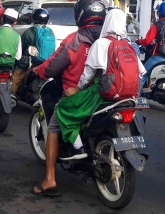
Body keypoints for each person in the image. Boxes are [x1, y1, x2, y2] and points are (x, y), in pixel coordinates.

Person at [30, 0, 106, 197]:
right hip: (105, 95)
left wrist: (37, 71)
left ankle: (50, 179)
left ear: (80, 15)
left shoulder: (75, 40)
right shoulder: (111, 38)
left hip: (77, 96)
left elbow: (52, 65)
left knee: (54, 127)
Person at [58, 9, 146, 159]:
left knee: (64, 109)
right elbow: (142, 72)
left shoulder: (101, 43)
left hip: (102, 94)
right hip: (128, 97)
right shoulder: (128, 45)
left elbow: (87, 75)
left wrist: (77, 89)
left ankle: (78, 148)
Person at [136, 1, 165, 90]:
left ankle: (137, 98)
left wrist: (138, 41)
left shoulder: (156, 25)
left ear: (159, 12)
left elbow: (147, 41)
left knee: (142, 74)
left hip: (159, 57)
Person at [13, 8, 54, 94]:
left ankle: (9, 100)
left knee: (15, 80)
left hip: (27, 63)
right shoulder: (50, 31)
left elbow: (20, 47)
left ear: (34, 18)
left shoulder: (30, 31)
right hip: (47, 63)